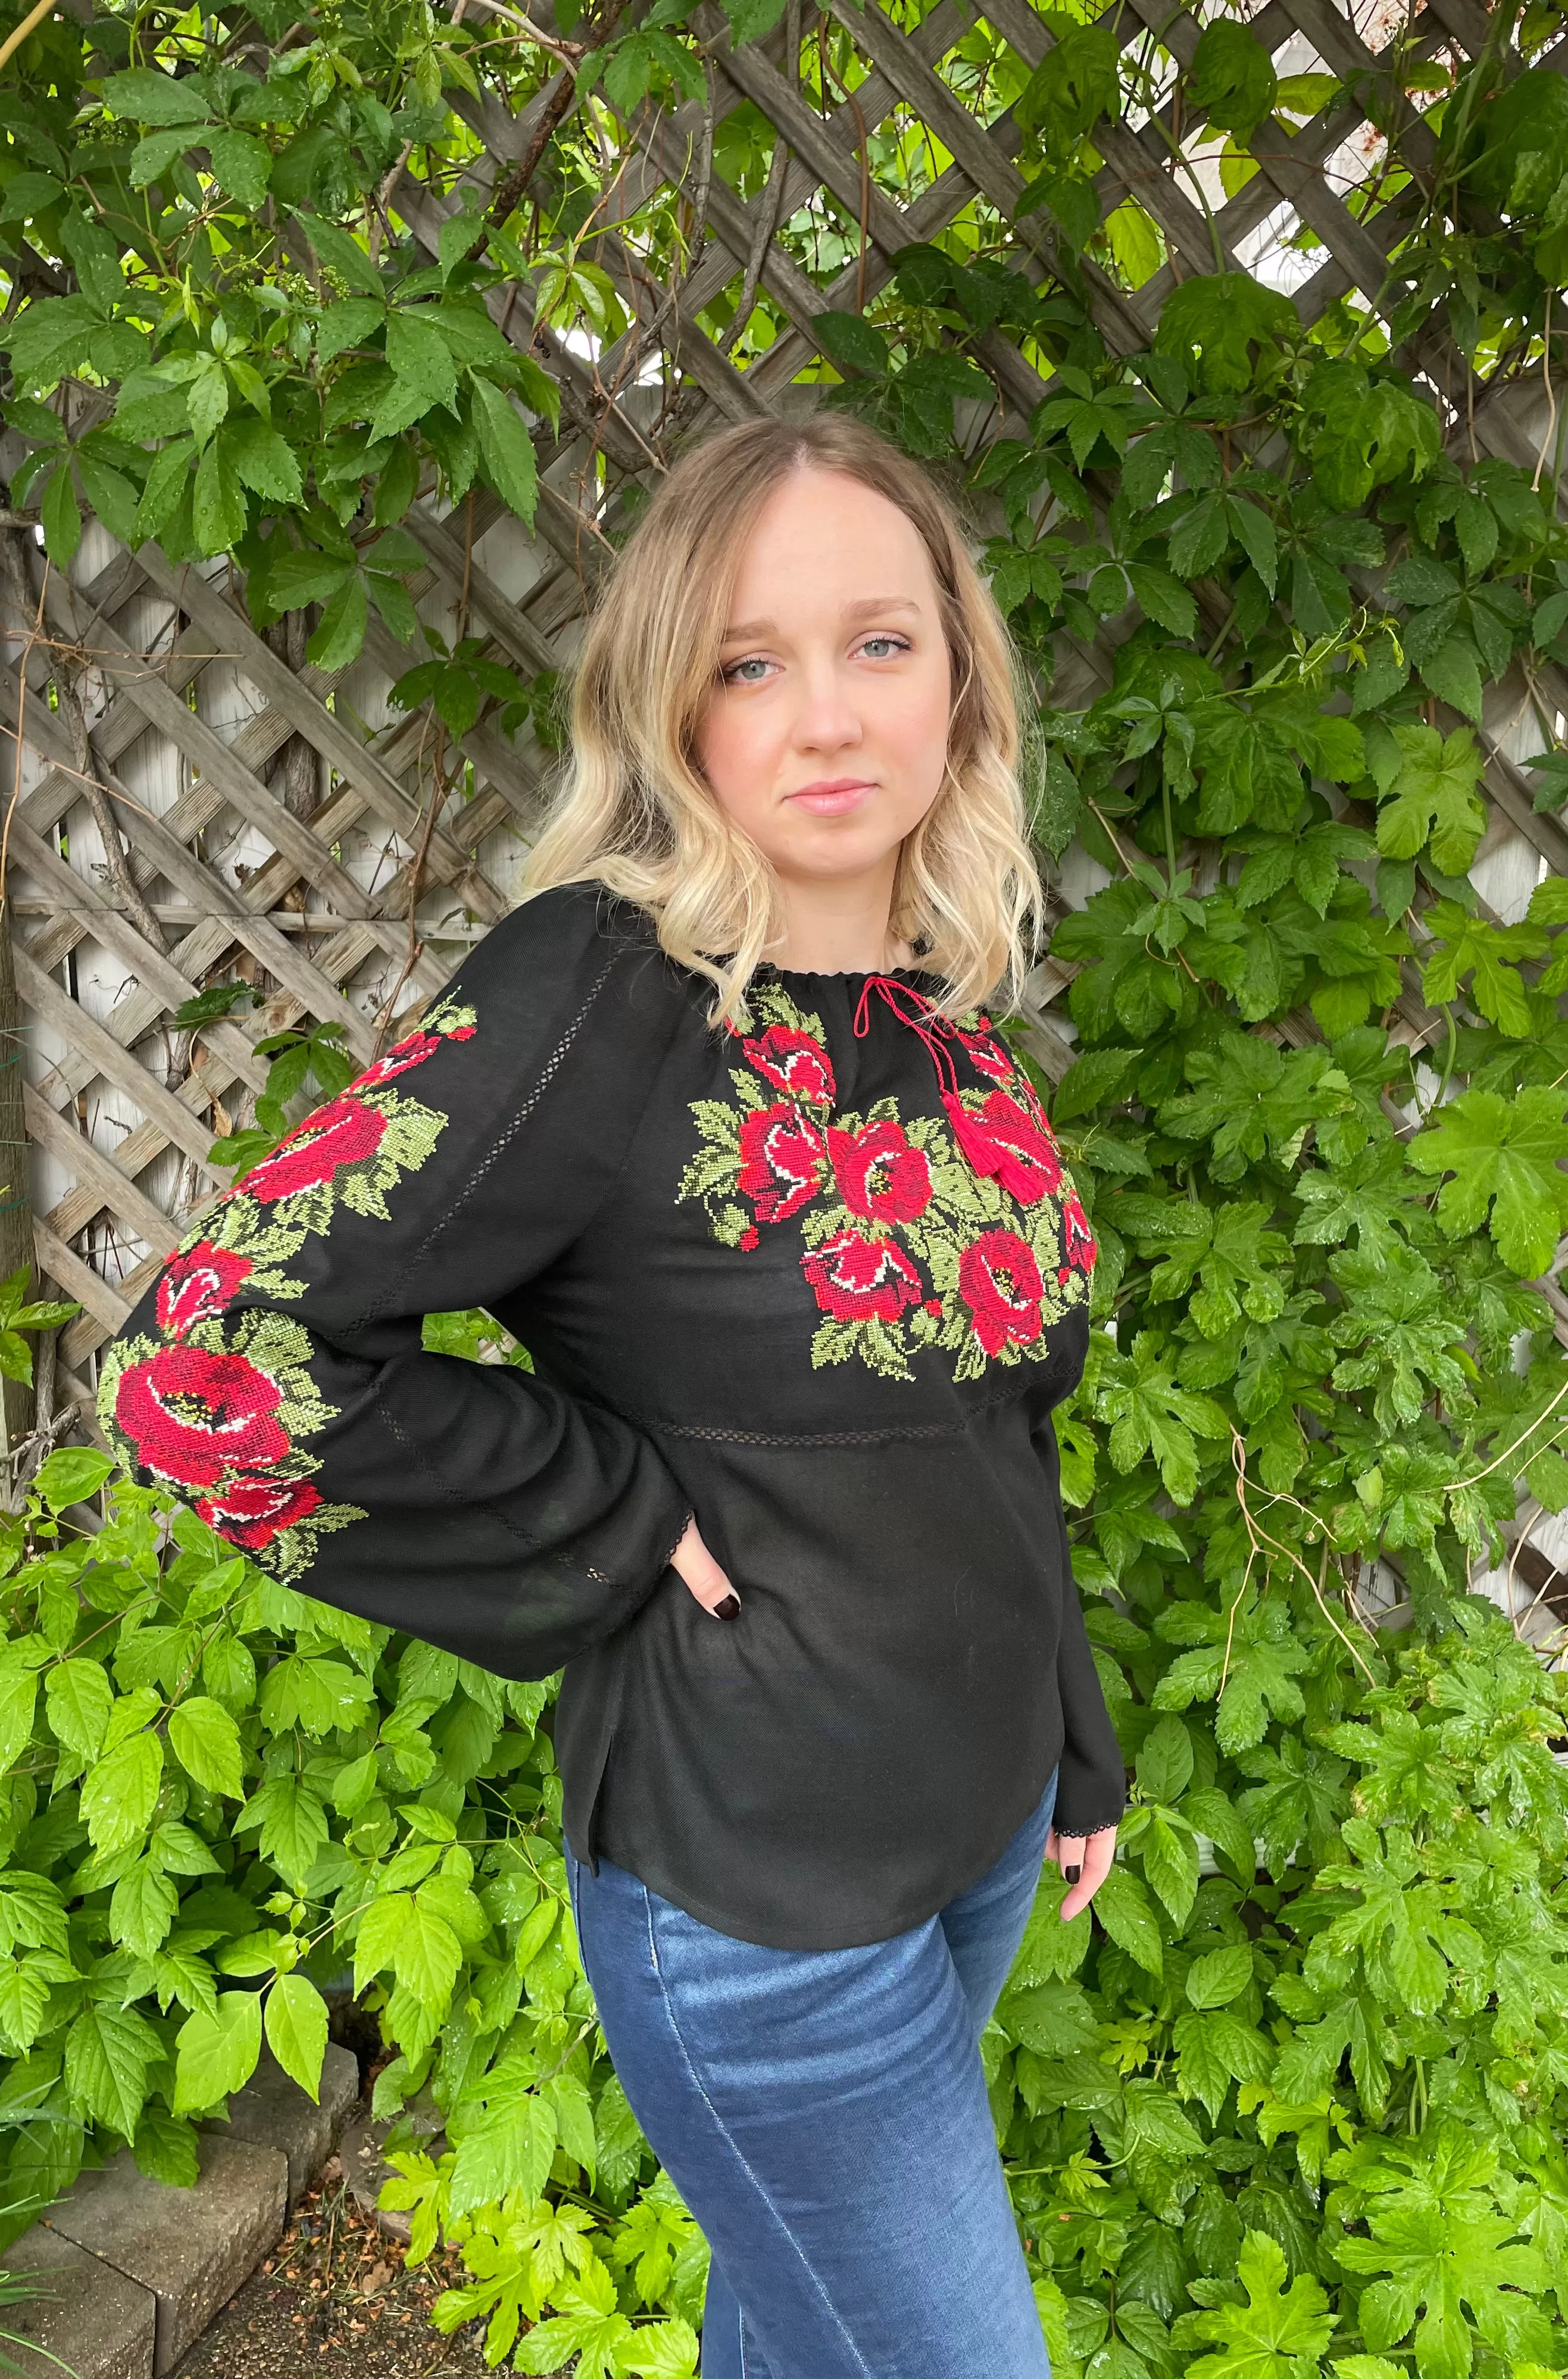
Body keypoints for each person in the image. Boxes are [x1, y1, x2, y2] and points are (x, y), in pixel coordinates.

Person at [96, 414, 1126, 2377]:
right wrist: (613, 1501)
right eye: (753, 660)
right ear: (675, 706)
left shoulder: (949, 1027)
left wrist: (1074, 1727)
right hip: (764, 1906)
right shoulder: (603, 993)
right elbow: (210, 1356)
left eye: (880, 642)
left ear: (962, 677)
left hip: (973, 1838)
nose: (827, 713)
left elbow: (991, 1431)